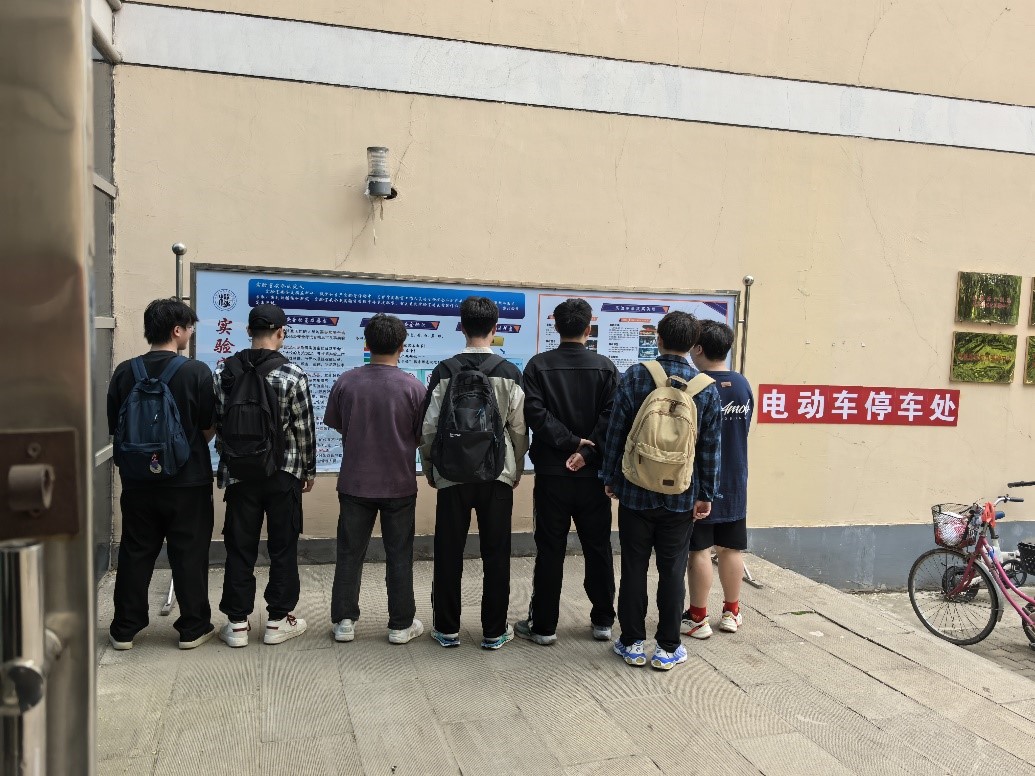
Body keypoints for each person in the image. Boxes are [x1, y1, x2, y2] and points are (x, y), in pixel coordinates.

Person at [599, 310, 721, 670]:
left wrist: (611, 477)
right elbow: (710, 447)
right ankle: (668, 647)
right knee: (672, 570)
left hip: (635, 491)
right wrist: (706, 494)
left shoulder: (637, 376)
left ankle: (632, 643)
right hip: (680, 496)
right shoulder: (705, 388)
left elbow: (616, 432)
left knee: (633, 567)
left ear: (659, 339)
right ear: (694, 345)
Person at [419, 296, 529, 650]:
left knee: (448, 551)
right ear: (495, 329)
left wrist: (431, 468)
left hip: (451, 474)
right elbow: (518, 429)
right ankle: (494, 631)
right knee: (496, 553)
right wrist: (516, 468)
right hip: (497, 475)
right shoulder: (509, 372)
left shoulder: (445, 371)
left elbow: (429, 428)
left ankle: (446, 629)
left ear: (461, 326)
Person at [106, 298, 216, 650]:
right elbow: (208, 425)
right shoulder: (196, 372)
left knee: (136, 552)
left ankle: (125, 628)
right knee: (189, 553)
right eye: (189, 327)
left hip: (137, 481)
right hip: (188, 481)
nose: (191, 333)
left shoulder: (125, 371)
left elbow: (115, 425)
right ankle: (193, 628)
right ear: (176, 330)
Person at [514, 298, 619, 646]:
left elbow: (535, 414)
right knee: (598, 548)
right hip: (593, 478)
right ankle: (603, 621)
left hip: (551, 474)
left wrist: (570, 443)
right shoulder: (605, 368)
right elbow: (611, 418)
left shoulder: (538, 366)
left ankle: (544, 627)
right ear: (589, 328)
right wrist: (585, 451)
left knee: (550, 549)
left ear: (556, 326)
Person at [213, 304, 316, 647]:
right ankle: (277, 621)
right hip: (282, 473)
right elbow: (304, 429)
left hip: (240, 475)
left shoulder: (224, 371)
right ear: (281, 332)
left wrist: (230, 462)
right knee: (283, 546)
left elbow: (219, 424)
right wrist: (308, 471)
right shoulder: (292, 374)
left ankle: (237, 624)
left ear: (248, 331)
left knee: (239, 547)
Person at [324, 314, 427, 645]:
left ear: (366, 344)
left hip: (355, 482)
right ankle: (400, 624)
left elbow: (338, 423)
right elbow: (420, 435)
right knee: (400, 554)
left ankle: (344, 622)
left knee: (349, 553)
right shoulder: (414, 388)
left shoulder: (346, 382)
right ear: (402, 346)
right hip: (399, 484)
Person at [682, 321, 753, 638]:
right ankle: (731, 612)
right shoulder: (742, 384)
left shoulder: (696, 386)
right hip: (735, 480)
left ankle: (698, 617)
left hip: (700, 483)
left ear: (698, 348)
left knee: (699, 550)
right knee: (731, 548)